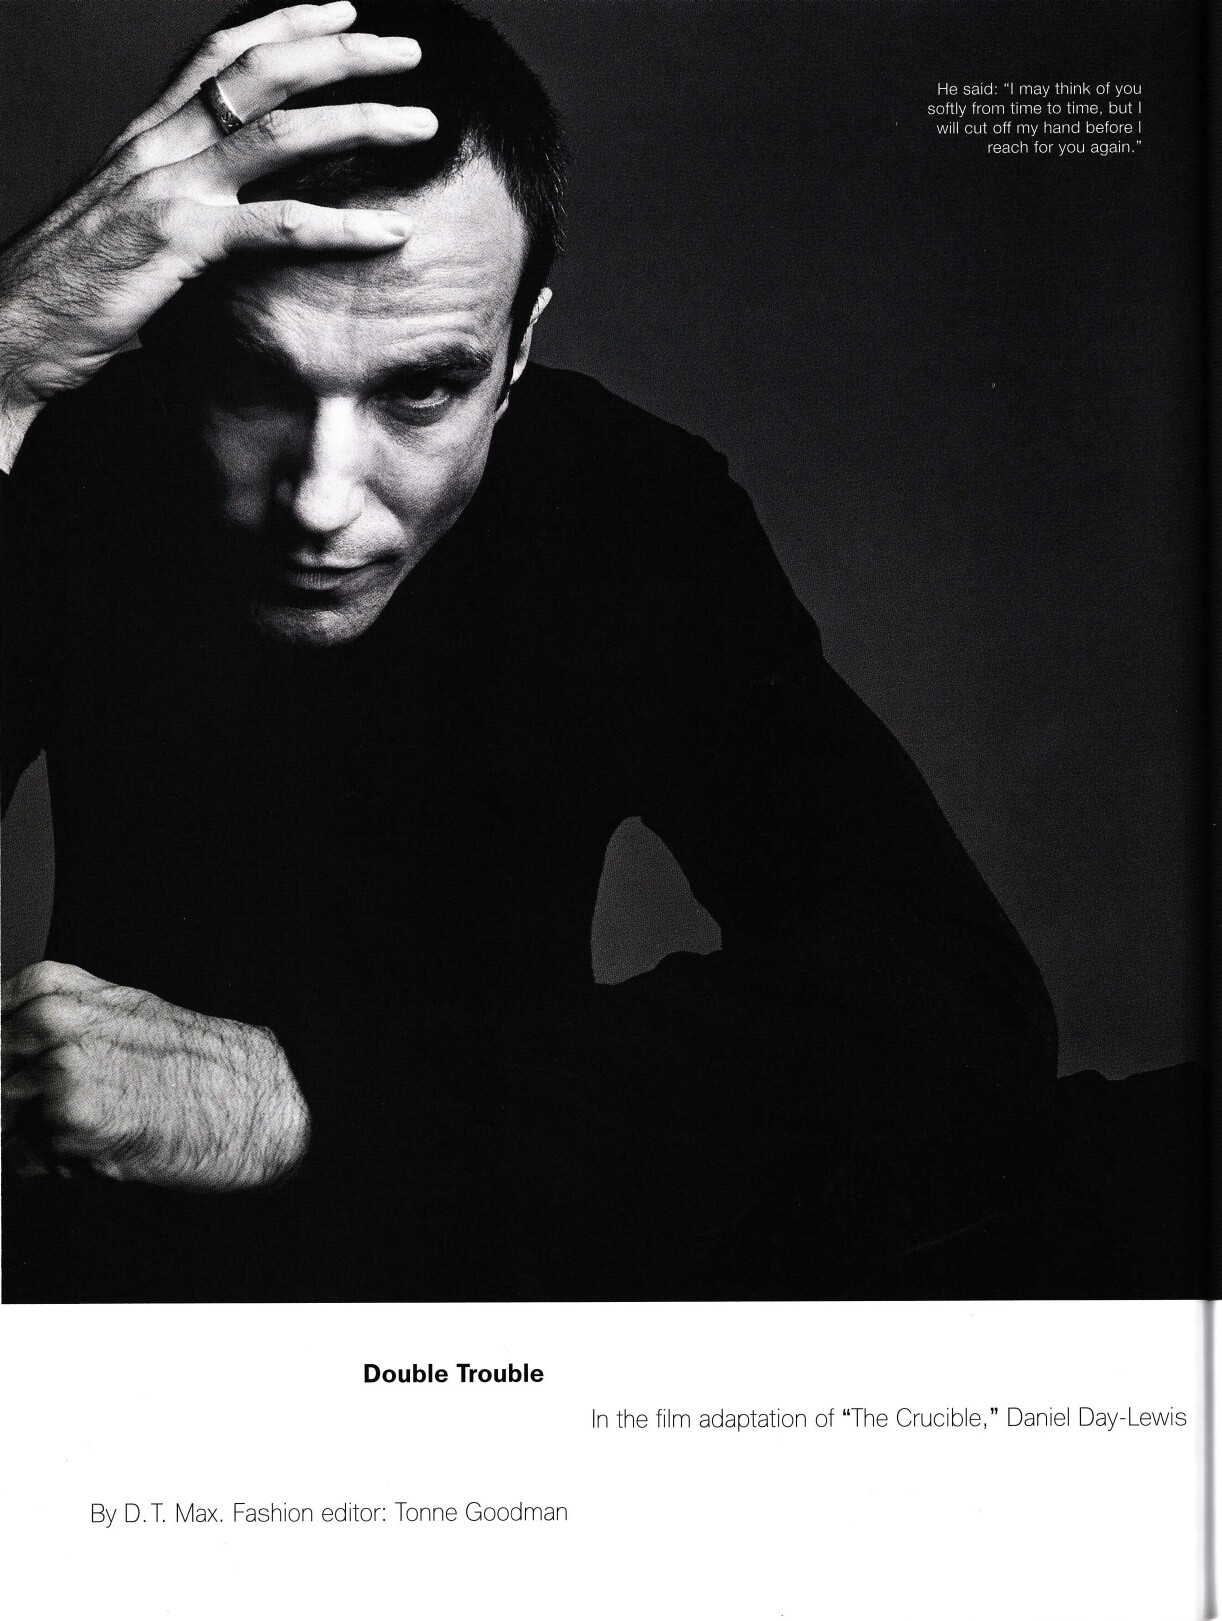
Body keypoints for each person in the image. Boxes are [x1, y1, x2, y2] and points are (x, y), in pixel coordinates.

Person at [0, 0, 1057, 1302]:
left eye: (421, 387)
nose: (323, 499)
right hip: (104, 1296)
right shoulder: (68, 461)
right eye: (256, 380)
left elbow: (951, 1008)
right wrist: (5, 352)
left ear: (518, 352)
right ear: (174, 333)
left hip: (504, 1295)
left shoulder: (618, 507)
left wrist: (290, 1097)